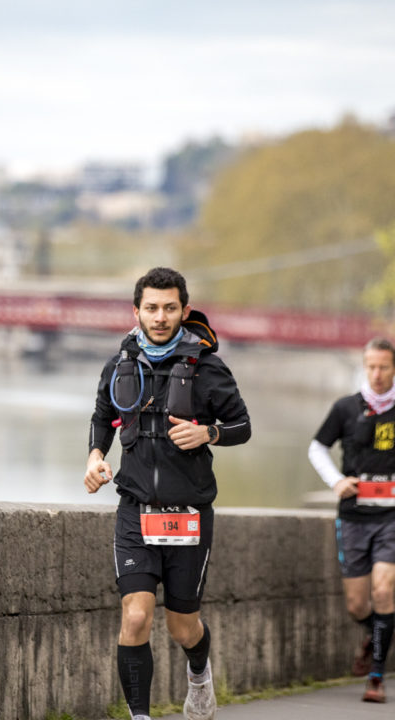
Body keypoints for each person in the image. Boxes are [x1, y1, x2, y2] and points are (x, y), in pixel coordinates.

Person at [84, 266, 251, 720]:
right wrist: (96, 456)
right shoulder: (119, 363)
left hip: (190, 516)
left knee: (183, 627)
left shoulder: (208, 368)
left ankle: (199, 675)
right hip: (135, 512)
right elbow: (103, 416)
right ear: (136, 311)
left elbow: (242, 426)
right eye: (152, 308)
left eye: (169, 308)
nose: (160, 317)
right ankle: (140, 716)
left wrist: (208, 434)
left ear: (184, 310)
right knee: (135, 617)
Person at [308, 338, 395, 704]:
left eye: (384, 367)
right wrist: (336, 481)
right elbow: (317, 447)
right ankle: (377, 630)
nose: (377, 374)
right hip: (354, 517)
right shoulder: (346, 407)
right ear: (364, 366)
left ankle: (376, 676)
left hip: (391, 515)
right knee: (358, 605)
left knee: (383, 590)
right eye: (371, 366)